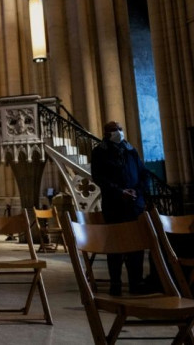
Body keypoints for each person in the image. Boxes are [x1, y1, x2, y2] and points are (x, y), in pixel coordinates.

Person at [91, 120, 148, 296]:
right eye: (114, 130)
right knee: (115, 246)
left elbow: (142, 173)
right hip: (114, 204)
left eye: (120, 129)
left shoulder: (131, 150)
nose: (119, 132)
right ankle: (115, 283)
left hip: (134, 204)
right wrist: (119, 191)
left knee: (136, 247)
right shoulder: (100, 152)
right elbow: (99, 177)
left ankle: (135, 283)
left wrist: (137, 192)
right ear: (106, 133)